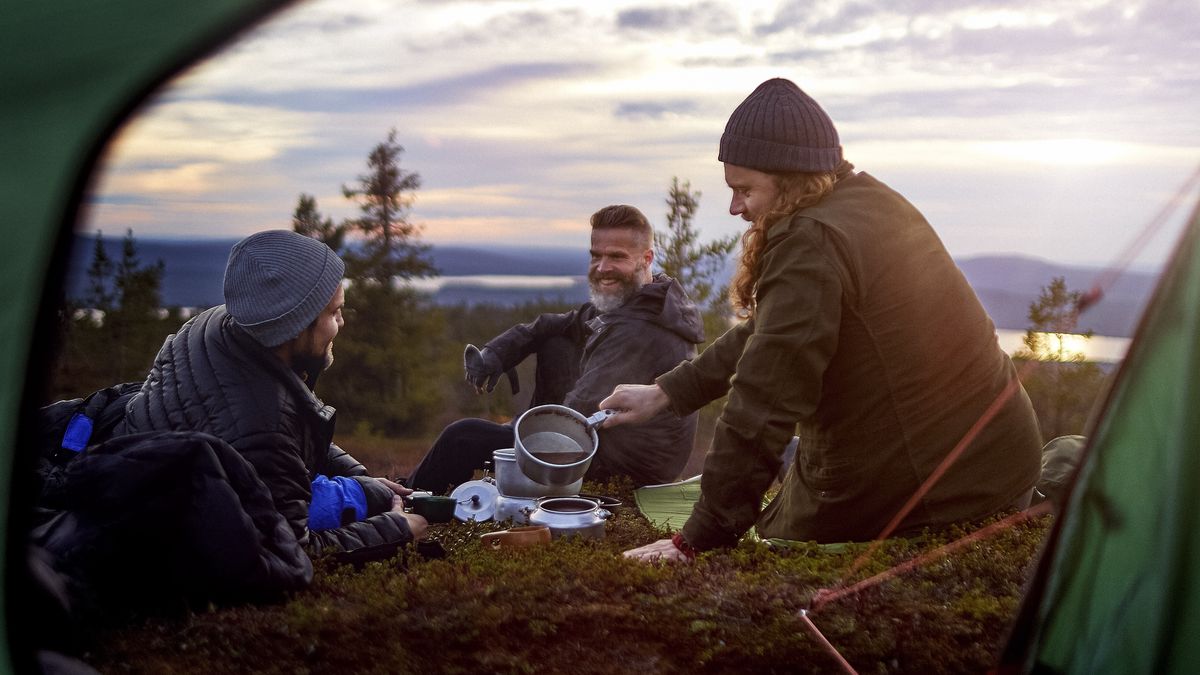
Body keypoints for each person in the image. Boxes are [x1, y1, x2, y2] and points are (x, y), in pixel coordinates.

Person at [602, 78, 1043, 563]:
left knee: (794, 515)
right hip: (998, 459)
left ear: (790, 179)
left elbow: (765, 398)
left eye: (745, 190)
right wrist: (667, 393)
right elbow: (772, 329)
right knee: (798, 468)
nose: (735, 207)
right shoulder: (869, 200)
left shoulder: (810, 241)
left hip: (938, 491)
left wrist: (699, 538)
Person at [116, 230, 428, 558]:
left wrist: (360, 477)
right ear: (296, 324)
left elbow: (293, 437)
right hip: (154, 538)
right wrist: (396, 529)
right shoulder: (263, 423)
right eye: (334, 312)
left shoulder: (221, 322)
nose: (342, 322)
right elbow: (291, 553)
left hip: (136, 476)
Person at [407, 205, 705, 491]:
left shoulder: (639, 330)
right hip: (611, 440)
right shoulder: (641, 298)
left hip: (627, 469)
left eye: (617, 256)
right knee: (556, 343)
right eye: (596, 256)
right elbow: (556, 324)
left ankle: (407, 500)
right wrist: (498, 353)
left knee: (462, 438)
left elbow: (576, 417)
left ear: (646, 258)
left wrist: (514, 434)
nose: (602, 268)